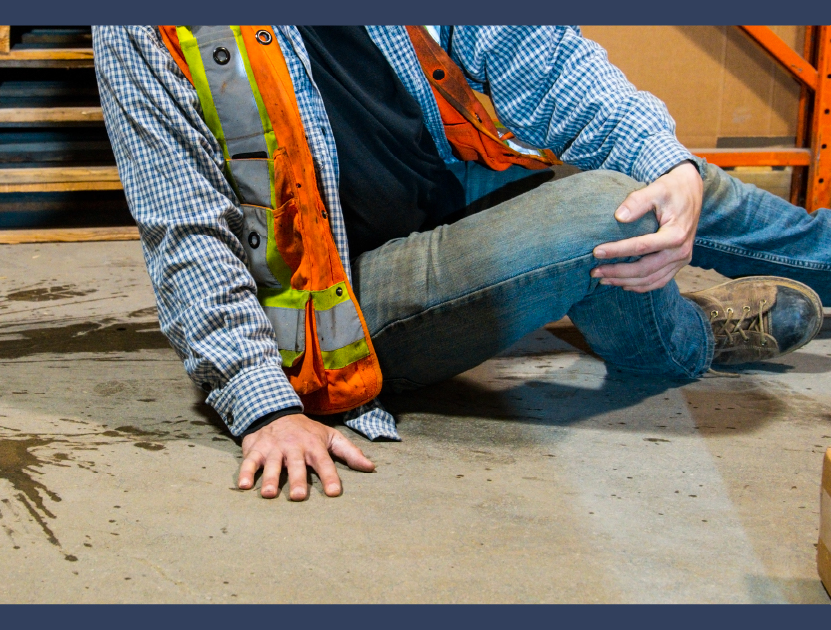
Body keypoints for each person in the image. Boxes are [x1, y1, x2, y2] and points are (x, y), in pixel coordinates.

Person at [92, 25, 829, 500]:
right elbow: (184, 226)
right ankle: (682, 340)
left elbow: (538, 55)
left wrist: (664, 162)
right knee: (607, 208)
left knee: (674, 174)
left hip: (449, 185)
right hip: (340, 296)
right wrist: (264, 406)